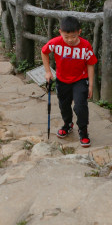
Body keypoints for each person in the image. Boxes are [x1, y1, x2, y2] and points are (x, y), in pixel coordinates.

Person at [41, 15, 98, 148]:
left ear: (79, 32)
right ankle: (68, 124)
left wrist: (91, 85)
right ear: (60, 32)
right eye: (66, 37)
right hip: (62, 79)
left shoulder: (85, 46)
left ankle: (83, 130)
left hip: (80, 80)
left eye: (73, 36)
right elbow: (44, 52)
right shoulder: (55, 42)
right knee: (64, 105)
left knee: (80, 106)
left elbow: (91, 64)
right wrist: (48, 71)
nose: (70, 40)